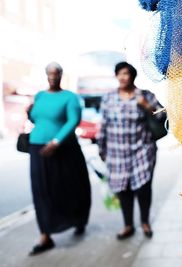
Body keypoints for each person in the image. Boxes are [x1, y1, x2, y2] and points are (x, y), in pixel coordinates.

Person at [27, 62, 91, 255]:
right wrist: (29, 113)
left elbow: (73, 120)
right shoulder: (39, 96)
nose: (53, 77)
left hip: (64, 149)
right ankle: (45, 234)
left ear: (62, 75)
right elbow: (37, 119)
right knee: (41, 191)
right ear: (46, 74)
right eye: (50, 74)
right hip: (38, 148)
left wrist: (56, 141)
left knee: (71, 187)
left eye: (57, 74)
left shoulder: (70, 97)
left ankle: (78, 219)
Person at [97, 62, 163, 240]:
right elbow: (103, 125)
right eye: (119, 74)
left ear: (132, 76)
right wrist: (101, 148)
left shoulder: (146, 95)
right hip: (117, 152)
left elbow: (163, 117)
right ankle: (128, 225)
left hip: (142, 150)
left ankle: (145, 222)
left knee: (143, 187)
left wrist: (147, 107)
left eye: (125, 73)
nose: (122, 77)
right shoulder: (108, 98)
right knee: (123, 189)